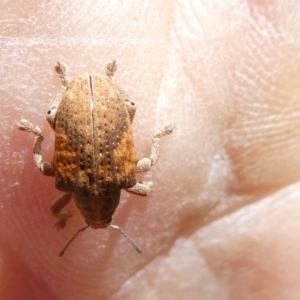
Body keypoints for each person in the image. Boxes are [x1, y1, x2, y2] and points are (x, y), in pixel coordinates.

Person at [1, 1, 300, 299]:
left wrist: (61, 209)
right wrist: (40, 142)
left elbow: (147, 165)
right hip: (97, 103)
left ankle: (76, 84)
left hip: (89, 104)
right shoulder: (73, 180)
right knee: (68, 118)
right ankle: (86, 84)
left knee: (122, 113)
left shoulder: (123, 179)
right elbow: (47, 166)